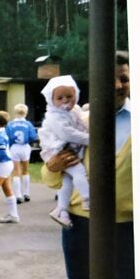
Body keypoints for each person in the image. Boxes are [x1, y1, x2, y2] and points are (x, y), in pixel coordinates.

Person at [41, 52, 136, 279]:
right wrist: (51, 165)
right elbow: (52, 177)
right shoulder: (79, 120)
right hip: (82, 225)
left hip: (127, 227)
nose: (117, 85)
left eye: (124, 78)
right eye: (109, 78)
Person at [38, 75, 90, 228]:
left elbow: (80, 122)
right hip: (58, 150)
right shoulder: (54, 116)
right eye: (59, 98)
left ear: (76, 95)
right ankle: (88, 199)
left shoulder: (75, 111)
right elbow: (67, 133)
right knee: (79, 172)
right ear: (51, 100)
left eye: (69, 96)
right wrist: (91, 139)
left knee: (67, 181)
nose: (65, 100)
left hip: (69, 149)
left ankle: (61, 210)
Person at [6, 104, 38, 203]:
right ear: (26, 113)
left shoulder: (10, 124)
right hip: (25, 147)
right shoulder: (28, 124)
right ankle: (26, 193)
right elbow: (33, 137)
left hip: (14, 147)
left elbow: (7, 137)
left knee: (16, 172)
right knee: (25, 170)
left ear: (15, 112)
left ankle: (18, 195)